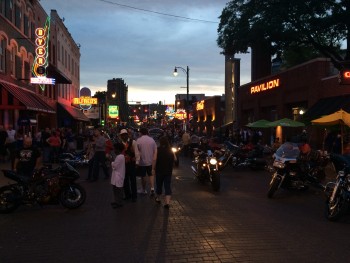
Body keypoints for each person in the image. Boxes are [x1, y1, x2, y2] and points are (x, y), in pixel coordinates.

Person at [154, 136, 175, 208]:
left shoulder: (158, 149)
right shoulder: (170, 150)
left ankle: (158, 198)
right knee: (167, 186)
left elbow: (155, 159)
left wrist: (153, 168)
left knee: (159, 185)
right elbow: (175, 159)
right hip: (168, 171)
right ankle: (167, 202)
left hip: (159, 170)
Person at [136, 127, 157, 196]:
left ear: (141, 132)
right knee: (151, 175)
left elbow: (136, 151)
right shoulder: (152, 140)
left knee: (143, 176)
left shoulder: (138, 140)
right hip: (150, 161)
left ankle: (144, 189)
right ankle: (152, 188)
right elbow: (155, 151)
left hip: (142, 162)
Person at [120, 129, 139, 202]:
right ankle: (127, 195)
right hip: (123, 164)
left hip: (131, 163)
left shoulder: (133, 142)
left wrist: (137, 162)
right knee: (125, 180)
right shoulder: (120, 143)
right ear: (121, 136)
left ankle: (134, 196)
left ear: (127, 135)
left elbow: (137, 153)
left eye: (125, 134)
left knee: (133, 180)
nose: (124, 136)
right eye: (122, 135)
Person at [110, 142, 125, 208]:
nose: (114, 150)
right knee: (115, 189)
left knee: (118, 190)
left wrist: (111, 160)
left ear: (118, 149)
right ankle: (117, 201)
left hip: (118, 176)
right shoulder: (120, 156)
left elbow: (114, 166)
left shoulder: (119, 157)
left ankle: (119, 203)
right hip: (117, 176)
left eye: (115, 149)